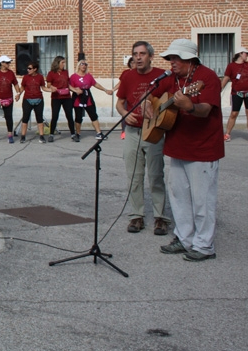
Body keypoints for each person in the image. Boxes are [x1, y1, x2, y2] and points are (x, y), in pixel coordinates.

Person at [153, 39, 224, 262]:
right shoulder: (172, 78)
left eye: (176, 58)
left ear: (190, 59)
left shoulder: (207, 77)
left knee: (202, 200)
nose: (172, 62)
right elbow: (154, 97)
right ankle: (184, 239)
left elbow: (205, 110)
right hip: (176, 147)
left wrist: (190, 106)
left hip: (202, 149)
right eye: (170, 58)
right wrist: (150, 105)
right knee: (178, 197)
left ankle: (204, 246)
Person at [116, 41, 169, 235]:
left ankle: (160, 217)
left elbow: (170, 101)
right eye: (135, 54)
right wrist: (124, 113)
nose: (138, 57)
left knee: (156, 176)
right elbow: (120, 103)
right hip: (132, 132)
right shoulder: (128, 76)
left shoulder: (162, 76)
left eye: (142, 54)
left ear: (150, 56)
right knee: (134, 176)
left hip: (153, 132)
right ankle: (136, 216)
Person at [220, 47, 248, 143]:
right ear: (240, 54)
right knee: (234, 113)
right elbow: (226, 78)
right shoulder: (231, 66)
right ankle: (227, 134)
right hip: (236, 93)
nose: (247, 55)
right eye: (245, 53)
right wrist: (219, 89)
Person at [69, 59, 113, 142]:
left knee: (93, 115)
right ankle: (77, 134)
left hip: (87, 96)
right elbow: (69, 86)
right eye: (82, 64)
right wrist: (75, 90)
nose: (84, 66)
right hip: (78, 98)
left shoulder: (88, 76)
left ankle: (99, 133)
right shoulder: (73, 76)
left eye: (86, 64)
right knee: (78, 117)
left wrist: (105, 90)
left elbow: (95, 84)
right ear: (79, 65)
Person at [19, 61, 50, 144]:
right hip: (27, 99)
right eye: (28, 68)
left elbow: (43, 87)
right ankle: (23, 136)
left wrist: (51, 90)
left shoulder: (40, 77)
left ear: (35, 69)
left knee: (39, 118)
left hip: (38, 99)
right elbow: (22, 87)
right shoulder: (25, 77)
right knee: (25, 118)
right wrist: (18, 94)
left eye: (30, 68)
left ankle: (41, 136)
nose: (28, 70)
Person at [46, 56, 75, 142]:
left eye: (64, 62)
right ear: (57, 63)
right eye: (62, 62)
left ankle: (73, 134)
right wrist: (52, 87)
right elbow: (48, 84)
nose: (64, 64)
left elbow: (68, 84)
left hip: (66, 97)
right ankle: (51, 134)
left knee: (69, 115)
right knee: (55, 116)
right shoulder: (51, 73)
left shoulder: (65, 72)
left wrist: (75, 90)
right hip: (56, 97)